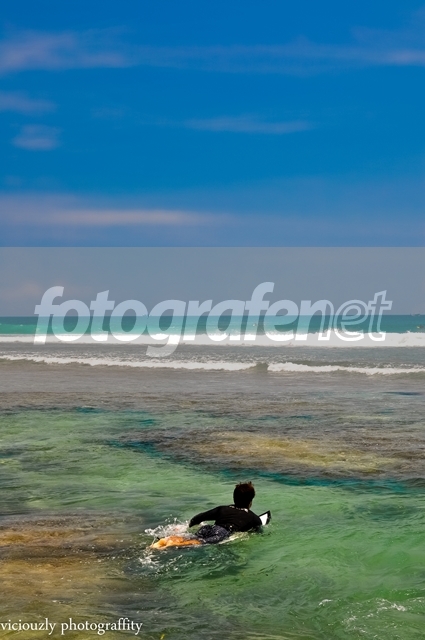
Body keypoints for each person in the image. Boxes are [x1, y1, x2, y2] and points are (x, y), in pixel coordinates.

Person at [149, 481, 262, 549]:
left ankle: (166, 540)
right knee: (199, 542)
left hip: (208, 528)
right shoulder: (253, 518)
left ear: (234, 498)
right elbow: (257, 531)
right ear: (250, 501)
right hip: (222, 532)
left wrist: (188, 526)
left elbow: (199, 517)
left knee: (191, 537)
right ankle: (171, 545)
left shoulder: (222, 509)